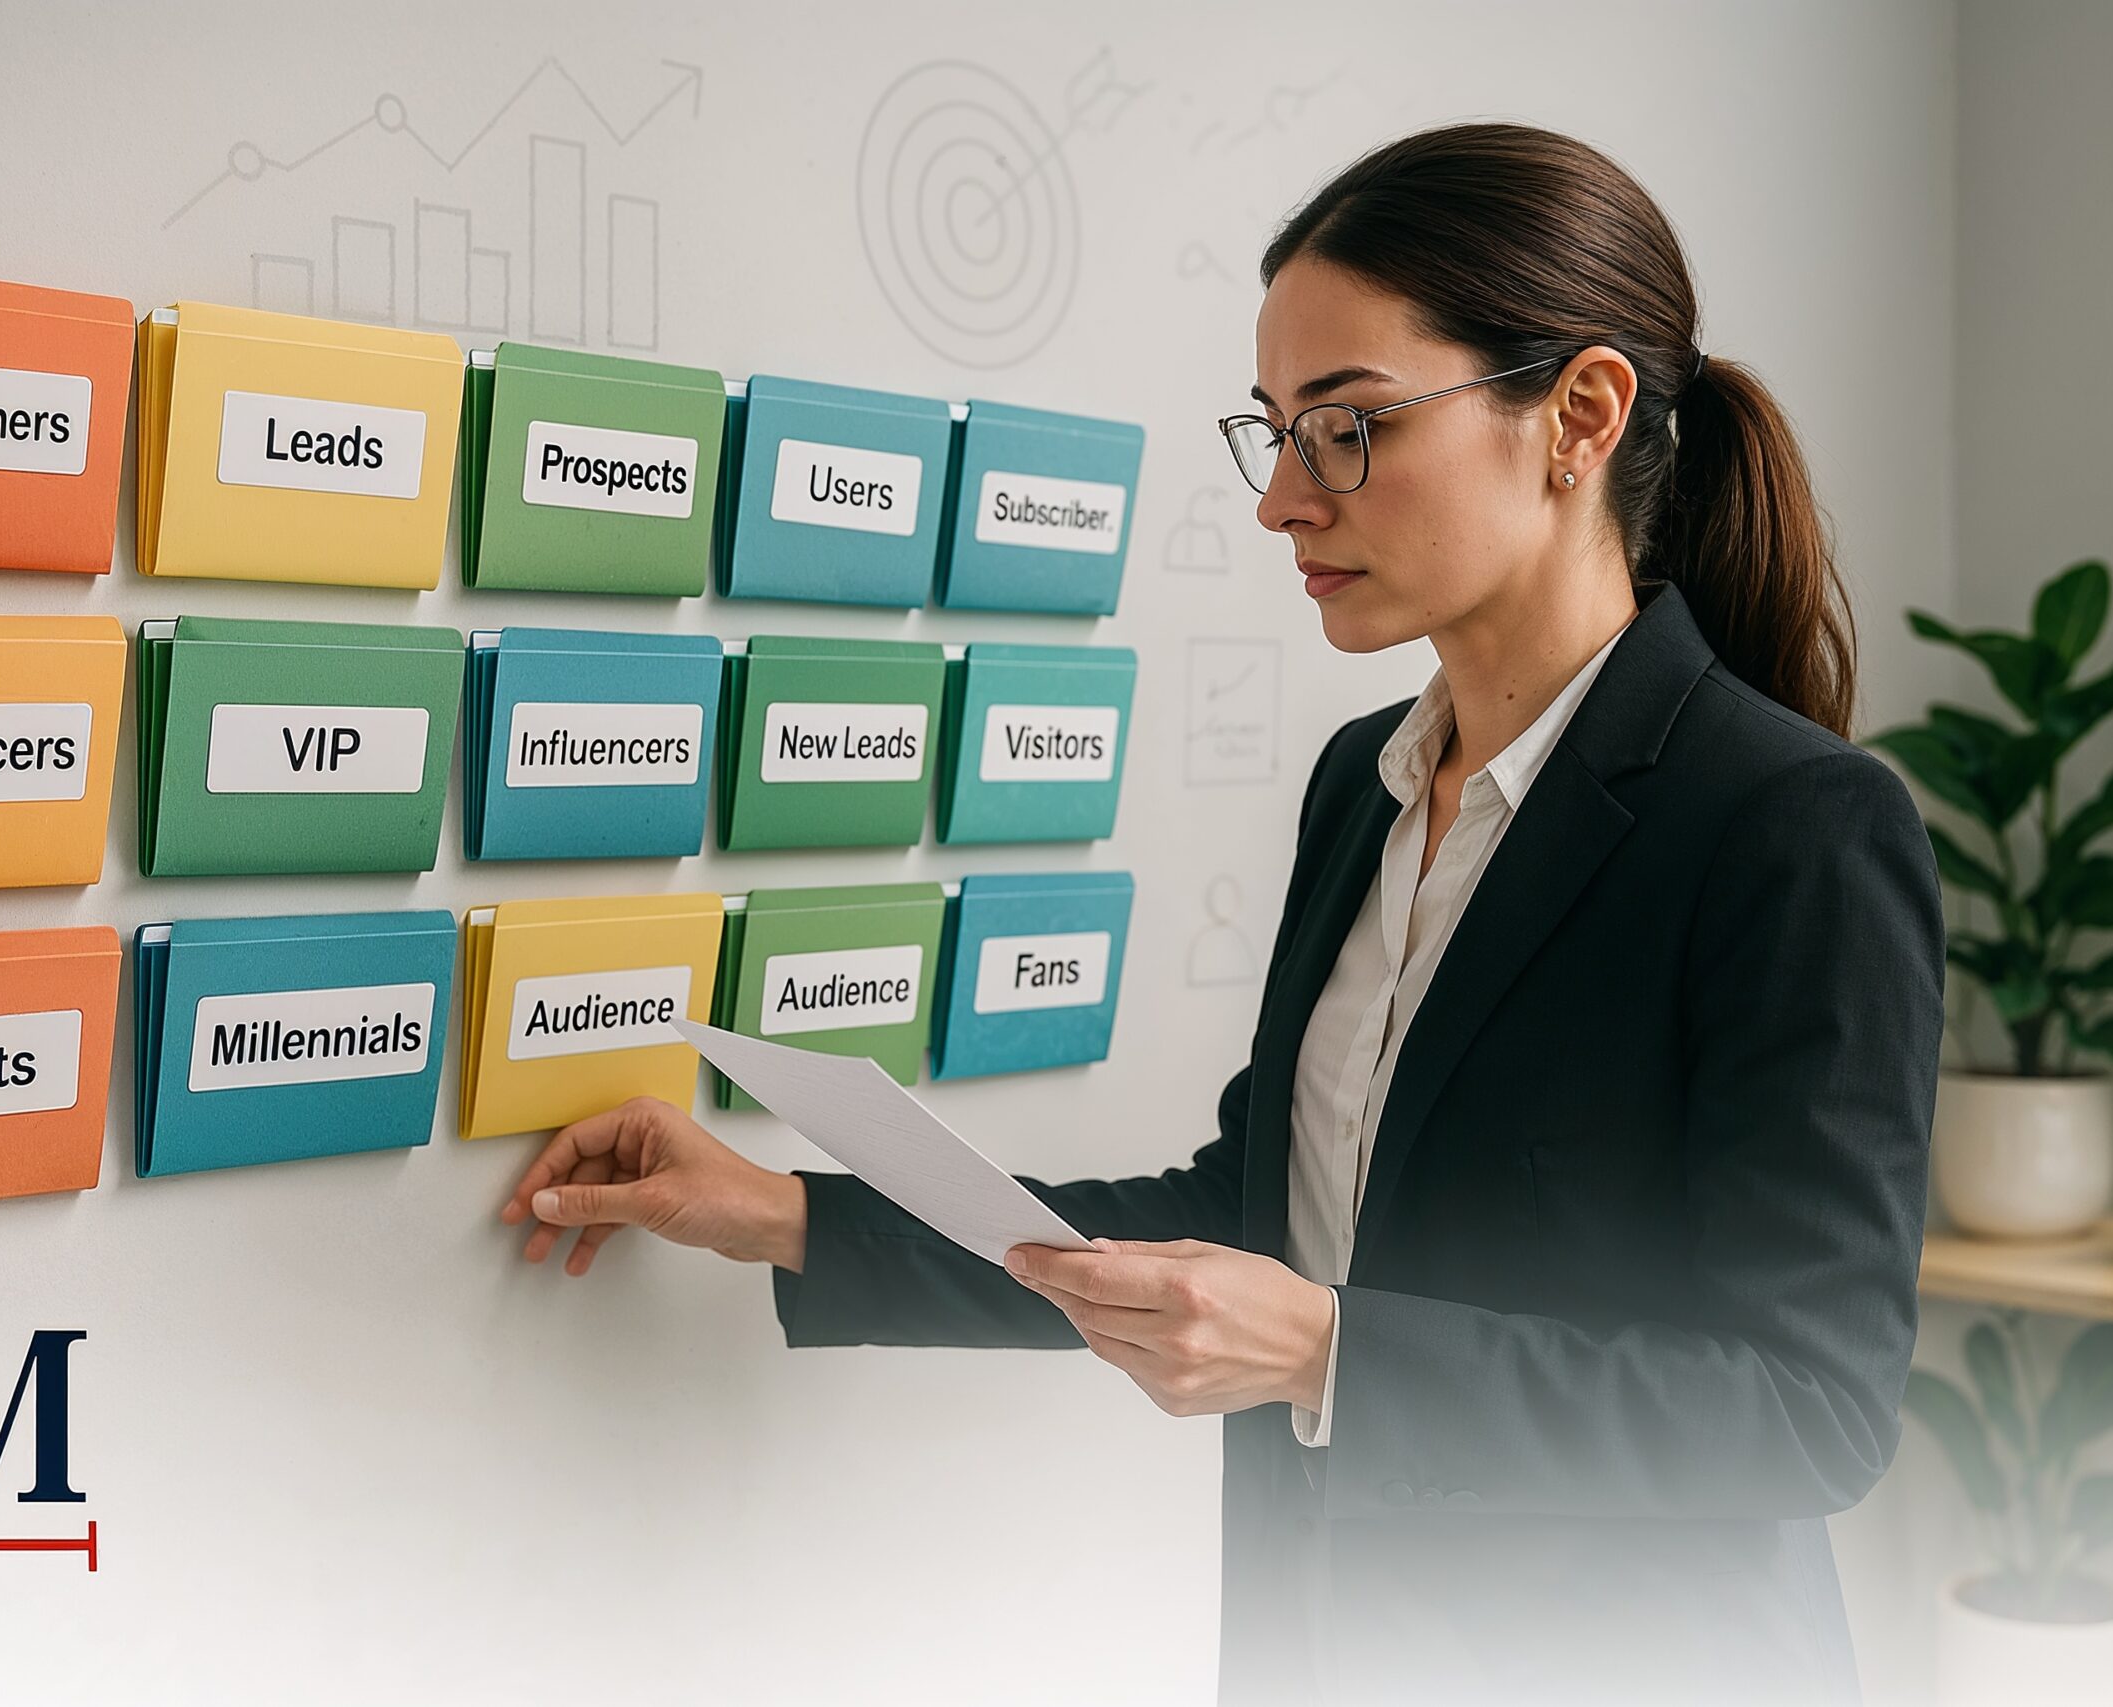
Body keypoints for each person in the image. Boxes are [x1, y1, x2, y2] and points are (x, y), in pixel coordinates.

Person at [499, 120, 1945, 1707]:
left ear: (1578, 417)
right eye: (1273, 434)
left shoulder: (1793, 828)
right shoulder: (1364, 787)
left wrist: (1331, 1356)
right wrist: (785, 1214)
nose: (1282, 503)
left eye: (1347, 428)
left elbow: (1810, 1407)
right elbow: (1259, 1209)